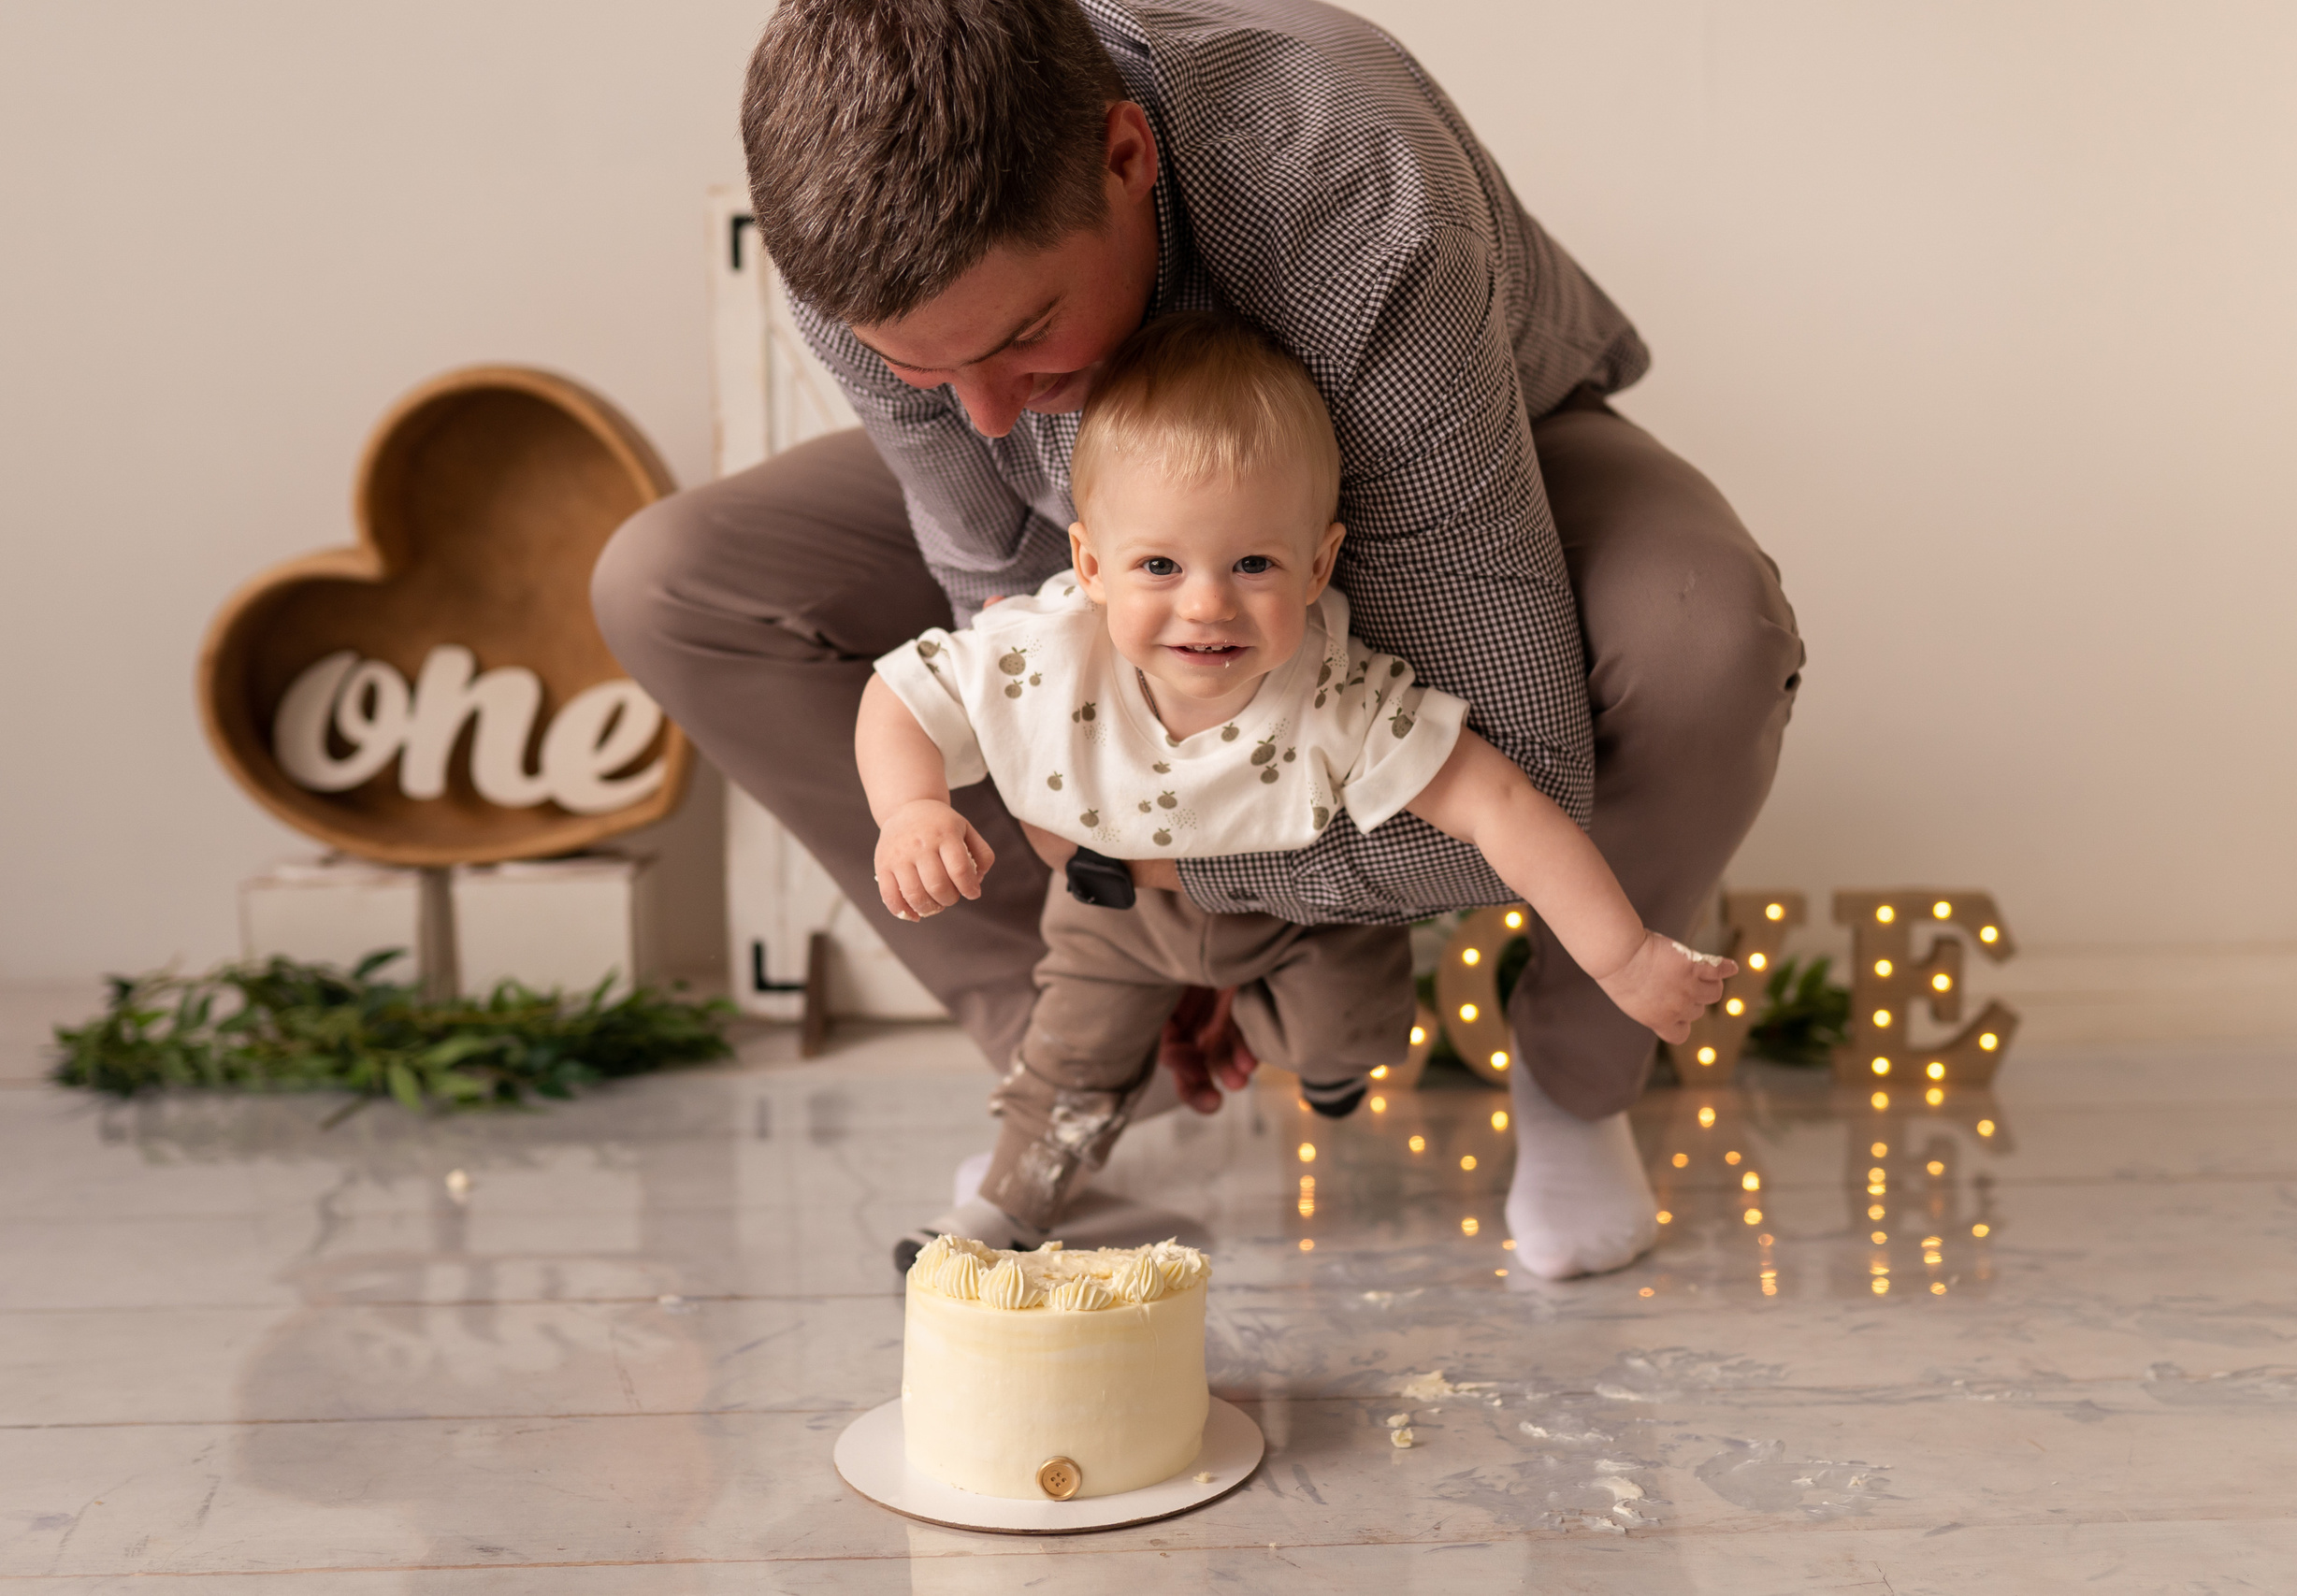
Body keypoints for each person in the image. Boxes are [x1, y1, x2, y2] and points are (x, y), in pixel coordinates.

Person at [592, 0, 1803, 1279]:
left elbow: (1518, 761)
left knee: (1704, 637)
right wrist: (1123, 877)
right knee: (674, 580)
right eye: (925, 369)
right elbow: (994, 584)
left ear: (1126, 157)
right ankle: (1076, 1042)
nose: (985, 413)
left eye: (1017, 332)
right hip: (1118, 524)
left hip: (1452, 447)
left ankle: (1574, 1068)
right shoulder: (869, 259)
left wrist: (1166, 862)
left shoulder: (1344, 178)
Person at [860, 312, 1731, 1250]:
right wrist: (912, 809)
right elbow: (903, 693)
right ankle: (1010, 1204)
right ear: (1091, 566)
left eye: (1253, 564)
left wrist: (1624, 957)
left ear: (1316, 565)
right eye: (1159, 564)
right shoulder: (1042, 653)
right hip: (1111, 913)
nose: (1206, 604)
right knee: (1066, 1061)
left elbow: (1501, 804)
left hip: (1296, 923)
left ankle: (1315, 1062)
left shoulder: (1334, 690)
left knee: (1347, 1035)